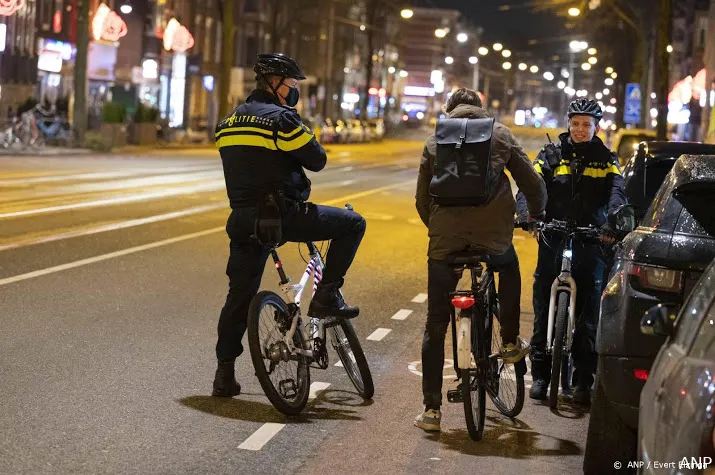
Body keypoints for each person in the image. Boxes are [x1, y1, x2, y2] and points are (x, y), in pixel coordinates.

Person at [211, 53, 367, 397]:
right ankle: (326, 296)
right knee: (352, 224)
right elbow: (318, 160)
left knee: (238, 296)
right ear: (275, 83)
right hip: (283, 216)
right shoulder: (281, 121)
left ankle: (224, 374)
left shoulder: (227, 123)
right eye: (292, 85)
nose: (294, 91)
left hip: (242, 219)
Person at [414, 88, 547, 431]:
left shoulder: (434, 140)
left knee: (435, 322)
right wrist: (535, 214)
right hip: (493, 235)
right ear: (479, 108)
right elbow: (531, 183)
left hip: (445, 239)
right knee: (508, 267)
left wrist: (442, 232)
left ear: (450, 110)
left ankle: (431, 410)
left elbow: (421, 199)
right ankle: (509, 340)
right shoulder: (499, 134)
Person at [528, 98, 626, 405]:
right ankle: (542, 374)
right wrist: (530, 216)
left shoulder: (606, 158)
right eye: (575, 124)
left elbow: (617, 193)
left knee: (589, 310)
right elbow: (532, 187)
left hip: (591, 238)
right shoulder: (550, 154)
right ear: (568, 124)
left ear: (596, 127)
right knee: (543, 301)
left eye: (587, 125)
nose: (580, 130)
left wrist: (612, 223)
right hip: (554, 235)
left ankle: (584, 378)